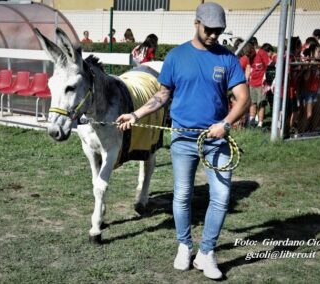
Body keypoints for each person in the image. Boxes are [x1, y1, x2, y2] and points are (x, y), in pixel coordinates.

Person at [117, 2, 250, 280]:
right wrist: (135, 113)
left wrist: (225, 124)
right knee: (182, 195)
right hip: (183, 138)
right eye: (209, 29)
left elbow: (243, 99)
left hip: (216, 139)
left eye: (219, 30)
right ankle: (184, 245)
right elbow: (162, 95)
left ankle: (207, 252)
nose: (214, 34)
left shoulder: (227, 58)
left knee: (222, 195)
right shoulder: (176, 56)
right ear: (196, 23)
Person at [248, 43, 274, 127]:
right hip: (252, 83)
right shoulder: (248, 56)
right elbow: (249, 68)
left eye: (249, 53)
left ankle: (260, 123)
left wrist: (265, 78)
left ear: (253, 50)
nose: (248, 56)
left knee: (261, 104)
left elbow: (269, 64)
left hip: (261, 84)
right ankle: (251, 121)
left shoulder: (261, 53)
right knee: (253, 103)